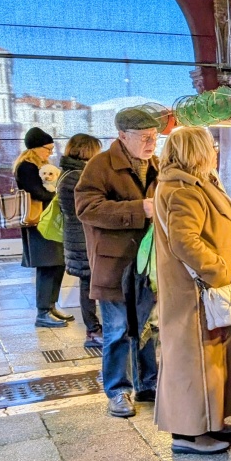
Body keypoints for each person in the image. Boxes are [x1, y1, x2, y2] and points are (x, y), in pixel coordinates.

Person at [153, 127, 231, 455]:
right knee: (193, 362)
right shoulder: (182, 188)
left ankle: (209, 422)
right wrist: (218, 270)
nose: (215, 151)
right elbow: (185, 241)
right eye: (209, 146)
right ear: (195, 151)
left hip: (200, 290)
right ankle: (189, 434)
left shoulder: (194, 182)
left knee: (209, 359)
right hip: (194, 293)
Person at [75, 107, 161, 419]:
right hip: (115, 264)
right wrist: (139, 209)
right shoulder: (100, 166)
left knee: (146, 326)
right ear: (122, 136)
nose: (151, 142)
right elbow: (87, 208)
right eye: (144, 137)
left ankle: (148, 383)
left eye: (154, 136)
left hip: (147, 263)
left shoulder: (155, 164)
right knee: (117, 329)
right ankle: (117, 390)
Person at [15, 127, 70, 328]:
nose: (50, 152)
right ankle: (43, 312)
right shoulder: (27, 167)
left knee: (57, 263)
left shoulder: (41, 165)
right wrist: (59, 196)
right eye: (47, 148)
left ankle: (51, 306)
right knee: (47, 266)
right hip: (39, 223)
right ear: (35, 148)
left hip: (47, 222)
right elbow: (37, 192)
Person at [57, 134, 103, 348]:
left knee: (89, 283)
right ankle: (93, 331)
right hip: (82, 240)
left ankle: (94, 329)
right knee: (89, 284)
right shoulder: (77, 176)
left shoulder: (68, 173)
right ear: (87, 151)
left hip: (77, 238)